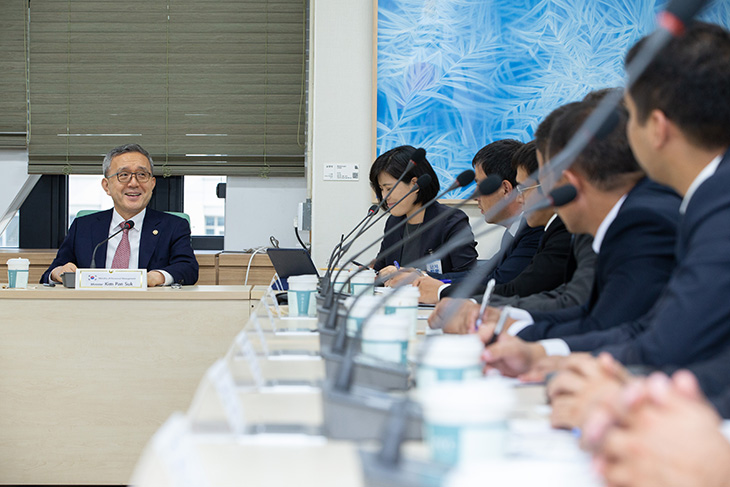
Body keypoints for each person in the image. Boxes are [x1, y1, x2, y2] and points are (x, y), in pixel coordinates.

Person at [483, 22, 730, 380]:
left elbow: (665, 347)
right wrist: (544, 354)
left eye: (629, 117)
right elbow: (651, 328)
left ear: (657, 129)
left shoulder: (703, 205)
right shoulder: (706, 195)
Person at [480, 99, 680, 377]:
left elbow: (610, 324)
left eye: (540, 180)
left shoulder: (644, 222)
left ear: (569, 182)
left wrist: (531, 343)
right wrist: (514, 324)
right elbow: (596, 314)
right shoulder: (628, 214)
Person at [42, 143, 199, 287]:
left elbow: (188, 269)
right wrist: (58, 273)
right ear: (106, 186)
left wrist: (157, 277)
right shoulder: (83, 226)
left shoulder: (173, 226)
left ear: (152, 184)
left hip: (150, 309)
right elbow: (50, 274)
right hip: (93, 308)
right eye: (123, 175)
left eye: (142, 175)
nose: (133, 183)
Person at [415, 139, 544, 303]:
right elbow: (484, 273)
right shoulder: (515, 230)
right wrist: (424, 276)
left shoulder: (534, 230)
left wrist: (440, 289)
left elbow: (500, 282)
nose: (475, 196)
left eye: (479, 184)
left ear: (505, 189)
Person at [370, 145, 478, 279]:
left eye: (389, 188)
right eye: (381, 189)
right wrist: (369, 273)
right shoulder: (394, 222)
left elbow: (469, 276)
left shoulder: (451, 221)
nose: (385, 196)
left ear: (415, 184)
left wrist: (419, 276)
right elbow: (380, 269)